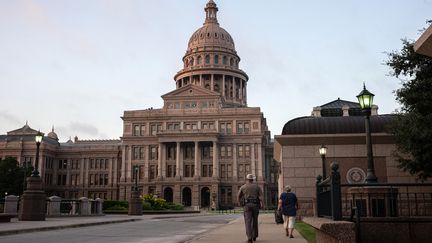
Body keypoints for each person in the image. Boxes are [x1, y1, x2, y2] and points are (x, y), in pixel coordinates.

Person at [237, 174, 264, 243]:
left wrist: (239, 203)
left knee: (248, 222)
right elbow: (261, 196)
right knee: (255, 221)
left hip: (247, 205)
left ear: (246, 179)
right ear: (252, 179)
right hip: (255, 205)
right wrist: (262, 204)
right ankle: (254, 236)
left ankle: (249, 238)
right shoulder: (257, 187)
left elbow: (238, 196)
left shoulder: (243, 187)